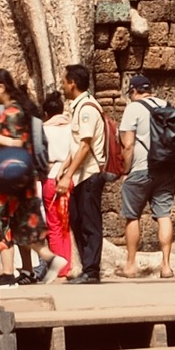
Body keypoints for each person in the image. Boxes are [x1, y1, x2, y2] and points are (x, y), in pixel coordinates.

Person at [0, 69, 50, 285]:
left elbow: (17, 142)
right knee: (16, 222)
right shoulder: (14, 109)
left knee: (7, 221)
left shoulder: (13, 111)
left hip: (12, 174)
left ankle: (15, 270)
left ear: (1, 87)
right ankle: (22, 269)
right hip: (16, 174)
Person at [119, 72, 175, 278]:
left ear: (134, 91)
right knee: (164, 215)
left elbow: (128, 144)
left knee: (132, 216)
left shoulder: (133, 108)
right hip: (166, 169)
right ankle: (166, 266)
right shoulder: (166, 105)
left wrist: (126, 170)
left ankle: (131, 265)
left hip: (140, 169)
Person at [58, 63, 109, 284]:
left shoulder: (87, 108)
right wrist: (66, 166)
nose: (62, 86)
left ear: (73, 83)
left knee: (89, 222)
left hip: (90, 173)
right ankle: (86, 267)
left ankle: (92, 270)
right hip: (80, 174)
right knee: (77, 219)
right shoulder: (78, 107)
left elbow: (86, 146)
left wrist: (68, 174)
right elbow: (77, 144)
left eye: (64, 82)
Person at [41, 83, 74, 282]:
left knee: (53, 224)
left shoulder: (43, 130)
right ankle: (67, 265)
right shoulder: (71, 128)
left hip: (51, 178)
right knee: (65, 224)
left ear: (46, 113)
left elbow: (40, 158)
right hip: (69, 177)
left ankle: (58, 267)